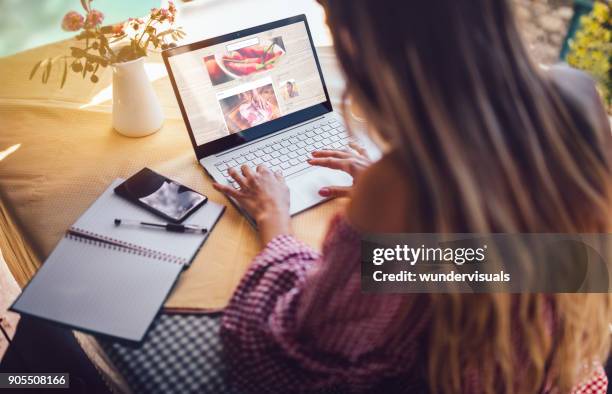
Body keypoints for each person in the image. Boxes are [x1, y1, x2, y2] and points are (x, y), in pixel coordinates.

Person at [213, 0, 612, 392]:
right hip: (562, 369)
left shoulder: (400, 183)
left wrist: (274, 218)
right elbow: (567, 264)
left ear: (375, 45)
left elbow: (306, 346)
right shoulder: (577, 99)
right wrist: (417, 225)